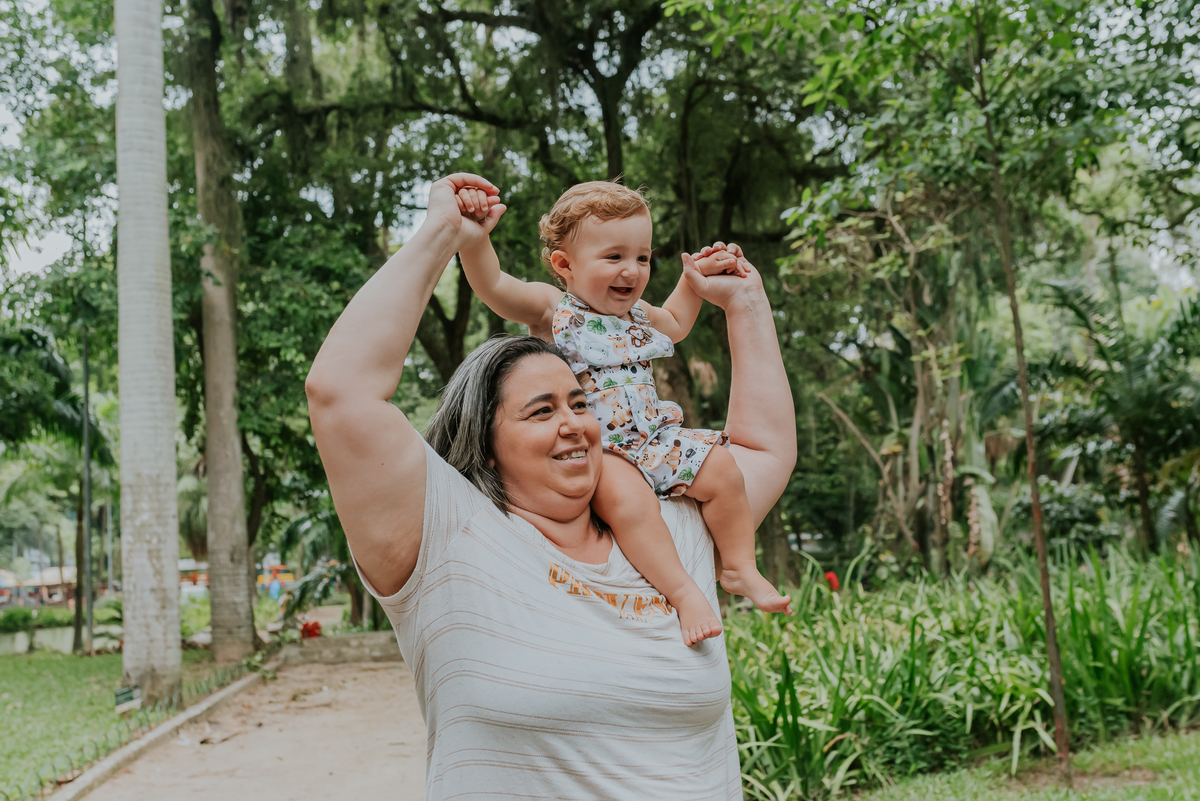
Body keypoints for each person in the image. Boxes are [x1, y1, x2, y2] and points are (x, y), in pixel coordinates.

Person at [305, 174, 796, 800]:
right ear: (484, 439)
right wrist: (444, 234)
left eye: (582, 402)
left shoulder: (663, 524)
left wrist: (744, 301)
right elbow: (340, 393)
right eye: (541, 410)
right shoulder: (448, 534)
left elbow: (759, 450)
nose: (575, 424)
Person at [454, 180, 790, 645]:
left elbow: (677, 322)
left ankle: (738, 566)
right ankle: (683, 592)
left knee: (723, 468)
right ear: (564, 265)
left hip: (654, 436)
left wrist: (695, 280)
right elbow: (493, 285)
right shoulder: (554, 308)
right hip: (602, 449)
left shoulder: (639, 314)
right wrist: (474, 239)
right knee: (633, 505)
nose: (631, 271)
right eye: (614, 257)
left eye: (643, 258)